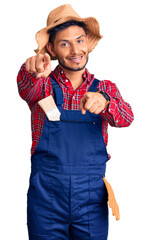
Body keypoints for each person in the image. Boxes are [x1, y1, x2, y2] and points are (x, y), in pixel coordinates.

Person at [17, 4, 134, 240]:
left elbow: (127, 118)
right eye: (64, 43)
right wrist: (31, 69)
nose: (74, 50)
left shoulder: (105, 88)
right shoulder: (43, 86)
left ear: (87, 42)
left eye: (79, 41)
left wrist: (106, 102)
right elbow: (26, 84)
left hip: (91, 199)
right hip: (46, 198)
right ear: (51, 48)